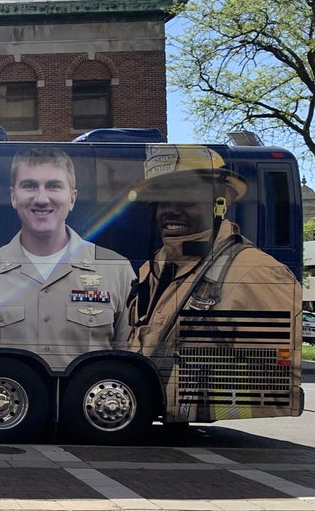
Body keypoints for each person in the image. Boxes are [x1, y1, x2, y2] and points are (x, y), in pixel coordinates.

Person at [127, 145, 302, 421]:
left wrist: (185, 406)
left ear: (219, 203)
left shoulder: (257, 273)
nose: (170, 211)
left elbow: (276, 388)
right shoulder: (152, 269)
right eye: (162, 200)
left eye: (185, 199)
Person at [0, 146, 134, 371]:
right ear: (14, 196)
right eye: (29, 186)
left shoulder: (117, 271)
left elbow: (134, 368)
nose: (41, 199)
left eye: (53, 186)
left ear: (72, 198)